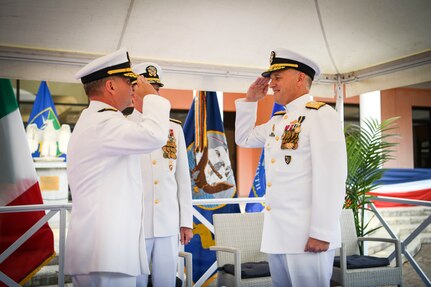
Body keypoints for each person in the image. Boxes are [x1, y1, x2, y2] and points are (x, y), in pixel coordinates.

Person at [235, 48, 347, 287]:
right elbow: (243, 139)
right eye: (271, 78)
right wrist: (250, 101)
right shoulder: (279, 121)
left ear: (299, 78)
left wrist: (322, 232)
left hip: (308, 236)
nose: (272, 84)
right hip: (279, 236)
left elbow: (332, 178)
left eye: (278, 78)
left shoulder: (321, 115)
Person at [65, 49, 171, 287]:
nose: (134, 87)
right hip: (105, 253)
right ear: (111, 86)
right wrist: (153, 98)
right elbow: (154, 136)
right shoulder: (103, 122)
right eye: (129, 81)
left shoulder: (100, 120)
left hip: (105, 252)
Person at [129, 62, 193, 287]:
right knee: (135, 281)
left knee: (166, 281)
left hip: (167, 223)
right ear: (132, 91)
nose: (153, 94)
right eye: (147, 87)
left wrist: (186, 221)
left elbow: (182, 178)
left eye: (156, 89)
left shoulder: (173, 128)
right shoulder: (124, 126)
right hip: (136, 223)